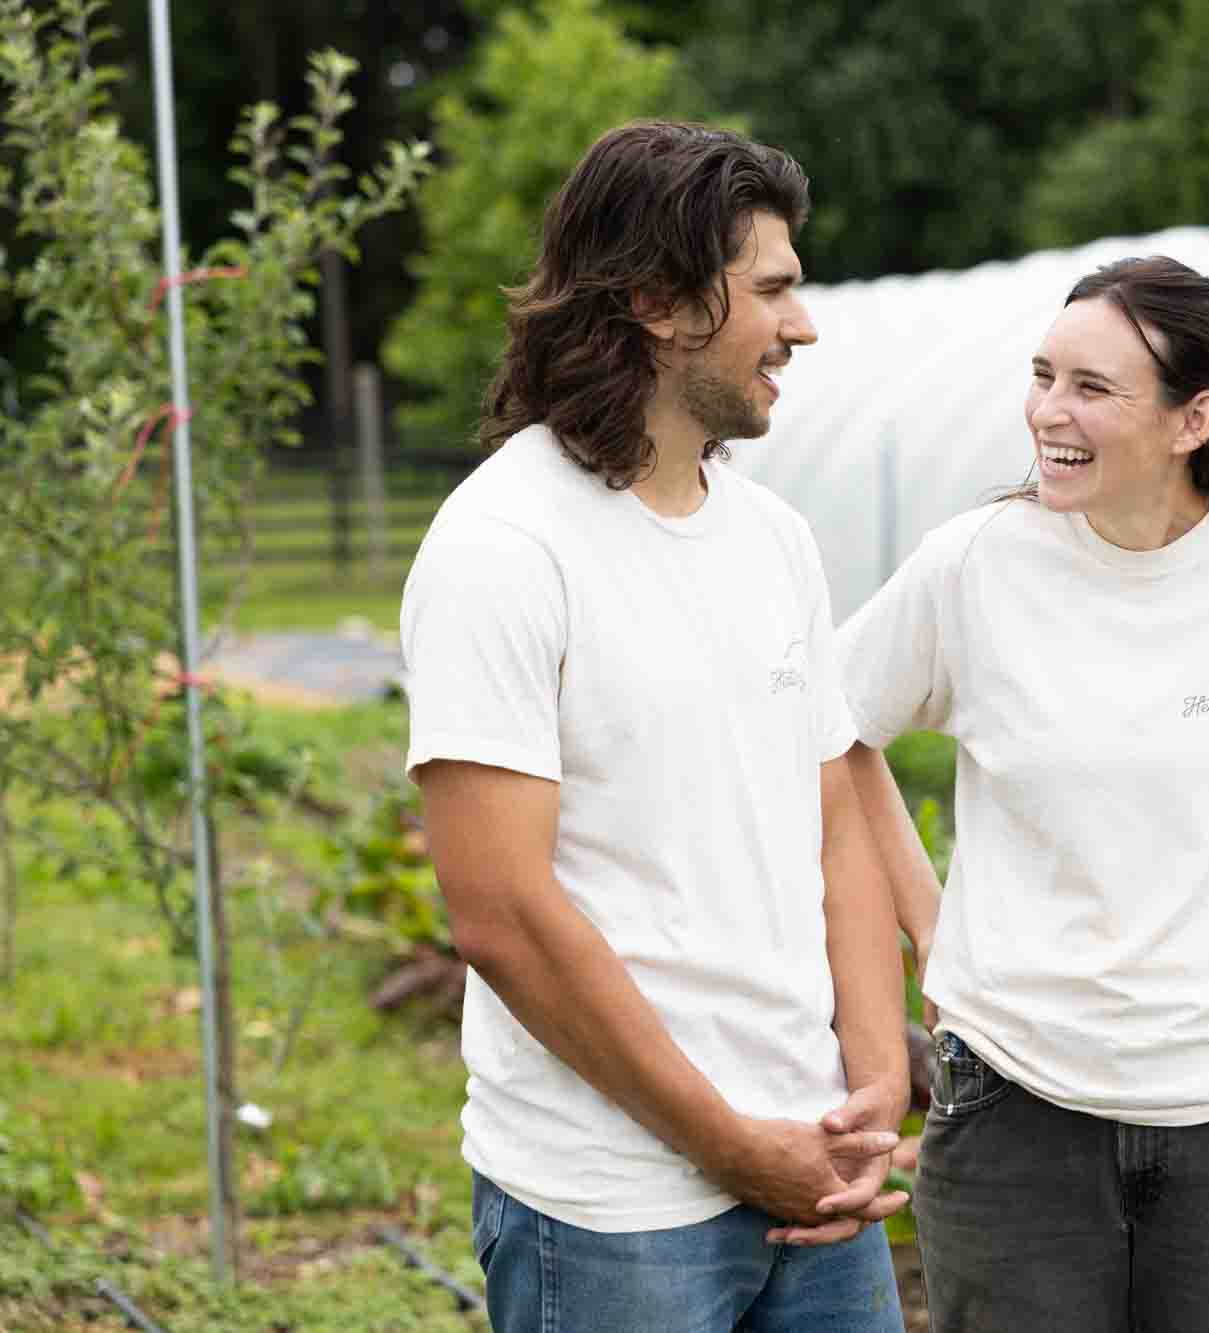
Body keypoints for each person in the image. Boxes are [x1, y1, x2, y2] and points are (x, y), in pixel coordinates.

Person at [814, 256, 1209, 1332]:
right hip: (1013, 1106)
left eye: (1090, 388)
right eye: (1041, 375)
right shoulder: (973, 565)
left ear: (1194, 418)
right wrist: (929, 920)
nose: (1046, 413)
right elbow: (832, 730)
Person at [400, 120, 909, 1333]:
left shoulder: (773, 539)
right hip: (612, 1207)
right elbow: (502, 914)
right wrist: (729, 1144)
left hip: (816, 1172)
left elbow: (834, 819)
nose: (804, 326)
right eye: (773, 290)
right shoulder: (503, 548)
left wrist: (876, 1077)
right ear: (660, 303)